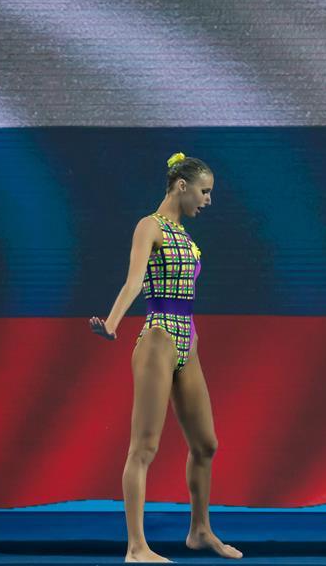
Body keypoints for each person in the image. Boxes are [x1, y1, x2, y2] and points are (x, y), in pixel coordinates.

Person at [90, 153, 242, 561]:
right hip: (158, 339)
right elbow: (134, 281)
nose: (208, 200)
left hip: (187, 340)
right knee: (144, 447)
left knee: (206, 444)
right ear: (182, 186)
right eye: (204, 191)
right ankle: (136, 547)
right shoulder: (150, 226)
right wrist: (112, 323)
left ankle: (200, 530)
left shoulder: (185, 237)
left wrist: (191, 339)